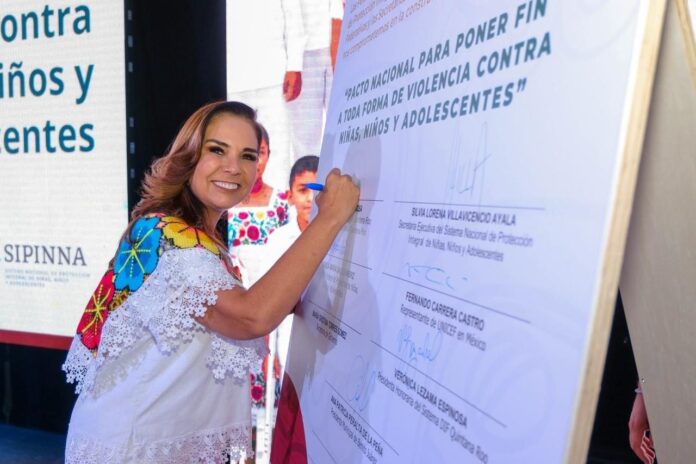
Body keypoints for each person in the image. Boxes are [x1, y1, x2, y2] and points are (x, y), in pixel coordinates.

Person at [61, 101, 359, 463]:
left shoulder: (202, 240)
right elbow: (250, 317)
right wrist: (330, 217)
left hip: (165, 443)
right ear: (189, 156)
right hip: (132, 448)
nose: (233, 167)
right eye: (217, 149)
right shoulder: (165, 235)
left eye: (248, 155)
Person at [260, 155, 320, 375]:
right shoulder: (278, 240)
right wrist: (269, 351)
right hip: (288, 345)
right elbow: (266, 299)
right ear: (290, 196)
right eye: (303, 190)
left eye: (317, 190)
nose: (311, 198)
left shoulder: (339, 237)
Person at [227, 124, 290, 288]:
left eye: (260, 152)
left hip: (274, 290)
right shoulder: (224, 202)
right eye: (248, 154)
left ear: (268, 154)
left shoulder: (282, 202)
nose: (255, 161)